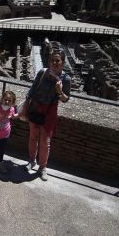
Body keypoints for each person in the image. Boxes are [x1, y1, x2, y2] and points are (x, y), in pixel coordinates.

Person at [25, 52, 70, 181]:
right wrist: (25, 107)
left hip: (50, 111)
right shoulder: (42, 73)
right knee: (33, 137)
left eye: (57, 61)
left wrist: (60, 91)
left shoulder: (65, 79)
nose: (54, 63)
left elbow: (66, 99)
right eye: (52, 60)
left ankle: (42, 167)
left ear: (62, 62)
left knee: (45, 141)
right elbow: (32, 90)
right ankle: (32, 161)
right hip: (36, 108)